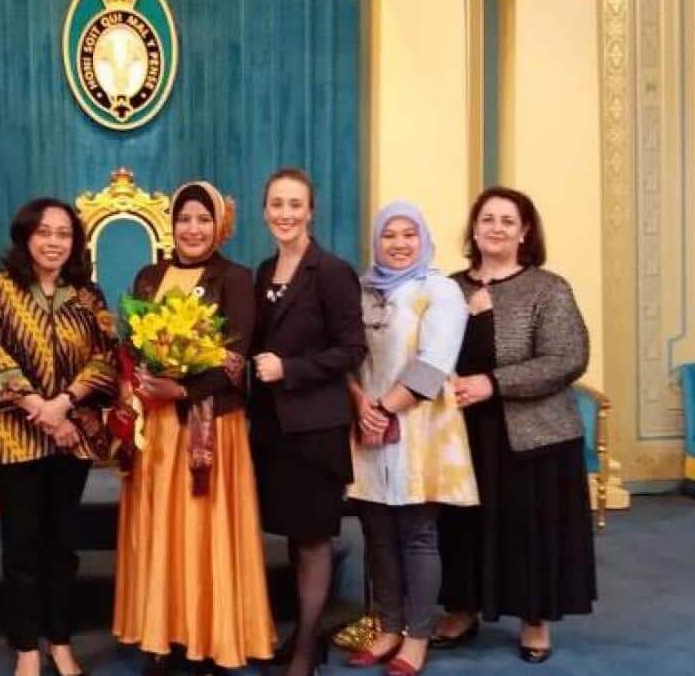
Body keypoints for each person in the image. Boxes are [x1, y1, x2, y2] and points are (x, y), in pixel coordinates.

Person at [113, 182, 275, 674]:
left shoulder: (236, 278)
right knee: (160, 531)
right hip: (157, 429)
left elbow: (234, 356)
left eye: (203, 219)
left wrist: (180, 390)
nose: (192, 228)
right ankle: (161, 636)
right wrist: (138, 380)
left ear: (219, 226)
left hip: (209, 427)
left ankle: (210, 634)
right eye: (184, 218)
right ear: (172, 224)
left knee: (206, 534)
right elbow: (135, 347)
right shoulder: (149, 276)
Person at [432, 187, 596, 664]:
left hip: (532, 434)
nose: (496, 228)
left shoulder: (548, 288)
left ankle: (534, 620)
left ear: (525, 231)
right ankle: (461, 609)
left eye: (508, 220)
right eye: (487, 219)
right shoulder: (448, 287)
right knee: (461, 527)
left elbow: (568, 358)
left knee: (530, 530)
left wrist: (493, 383)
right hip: (461, 431)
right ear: (474, 229)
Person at [0, 198, 119, 676]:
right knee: (21, 547)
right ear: (25, 236)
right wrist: (37, 406)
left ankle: (59, 641)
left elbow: (105, 357)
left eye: (63, 233)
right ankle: (26, 650)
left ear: (74, 242)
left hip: (72, 434)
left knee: (61, 546)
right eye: (44, 232)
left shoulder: (87, 294)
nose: (54, 241)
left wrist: (65, 404)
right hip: (15, 437)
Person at [344, 202, 478, 675]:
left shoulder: (440, 290)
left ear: (423, 239)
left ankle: (417, 637)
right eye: (388, 235)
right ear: (375, 241)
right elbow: (346, 355)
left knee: (418, 534)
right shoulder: (360, 289)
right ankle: (388, 628)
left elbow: (434, 360)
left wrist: (384, 409)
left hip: (419, 424)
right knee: (377, 533)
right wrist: (361, 403)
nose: (399, 244)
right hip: (366, 424)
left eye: (408, 235)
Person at [249, 168, 367, 676]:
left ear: (311, 211)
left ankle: (304, 652)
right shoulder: (261, 270)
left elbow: (352, 349)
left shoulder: (333, 271)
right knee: (294, 536)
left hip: (317, 427)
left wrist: (289, 369)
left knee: (315, 539)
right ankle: (302, 632)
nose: (286, 214)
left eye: (295, 205)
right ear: (264, 211)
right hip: (273, 428)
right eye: (277, 204)